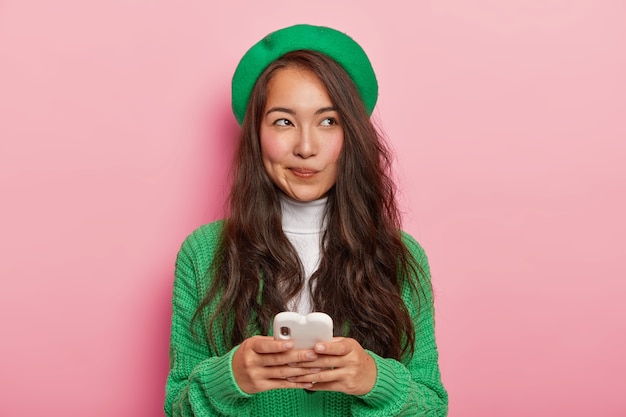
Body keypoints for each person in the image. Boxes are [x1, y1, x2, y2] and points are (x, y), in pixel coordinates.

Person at [164, 24, 448, 416]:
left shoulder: (400, 256)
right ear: (255, 135)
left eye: (328, 121)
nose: (306, 147)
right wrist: (230, 378)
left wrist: (374, 380)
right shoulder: (204, 253)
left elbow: (432, 407)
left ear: (352, 136)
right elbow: (176, 408)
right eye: (284, 121)